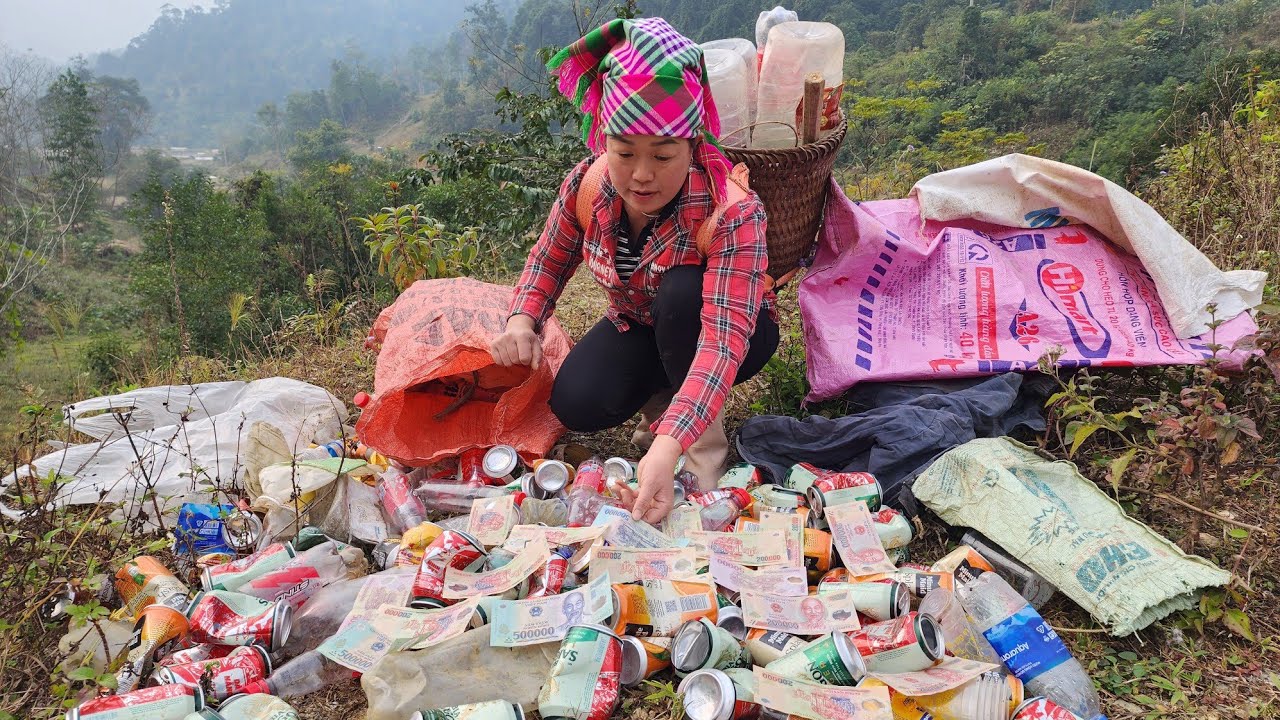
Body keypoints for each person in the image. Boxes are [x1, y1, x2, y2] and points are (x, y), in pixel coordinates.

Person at [489, 17, 778, 524]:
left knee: (681, 293)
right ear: (605, 142)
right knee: (577, 402)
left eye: (663, 156)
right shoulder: (588, 186)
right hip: (643, 322)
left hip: (728, 330)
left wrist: (667, 446)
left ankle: (697, 453)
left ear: (692, 148)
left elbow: (720, 343)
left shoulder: (732, 212)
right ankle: (669, 405)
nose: (641, 175)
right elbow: (548, 259)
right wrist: (521, 320)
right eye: (624, 153)